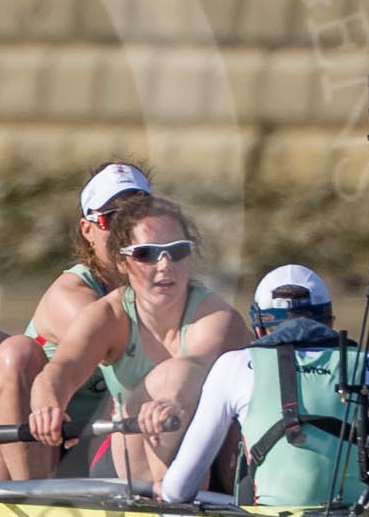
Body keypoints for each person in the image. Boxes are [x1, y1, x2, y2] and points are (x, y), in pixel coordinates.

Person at [25, 193, 250, 484]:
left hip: (213, 458)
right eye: (147, 254)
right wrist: (47, 407)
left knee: (173, 387)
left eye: (177, 251)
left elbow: (192, 368)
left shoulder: (216, 317)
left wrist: (170, 402)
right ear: (121, 261)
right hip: (127, 457)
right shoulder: (108, 316)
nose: (165, 265)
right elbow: (61, 370)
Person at [0, 161, 153, 480]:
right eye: (112, 219)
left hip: (97, 443)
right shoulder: (71, 294)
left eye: (138, 215)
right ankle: (30, 502)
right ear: (88, 230)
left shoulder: (167, 290)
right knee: (17, 351)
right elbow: (137, 346)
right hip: (25, 452)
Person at [156, 265, 369, 508]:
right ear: (330, 322)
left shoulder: (232, 366)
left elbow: (177, 490)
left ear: (257, 329)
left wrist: (165, 489)